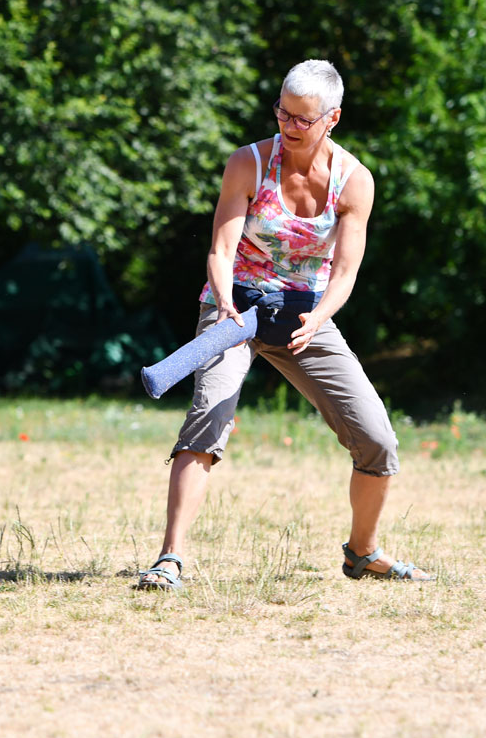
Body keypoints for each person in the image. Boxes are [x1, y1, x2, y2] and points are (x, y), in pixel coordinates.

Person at [137, 59, 433, 590]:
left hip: (305, 314)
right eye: (282, 112)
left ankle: (362, 554)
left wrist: (319, 317)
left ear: (332, 118)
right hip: (235, 309)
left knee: (377, 440)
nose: (288, 126)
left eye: (303, 119)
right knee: (208, 415)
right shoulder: (248, 163)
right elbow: (222, 248)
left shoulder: (354, 181)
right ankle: (169, 560)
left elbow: (344, 272)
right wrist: (224, 303)